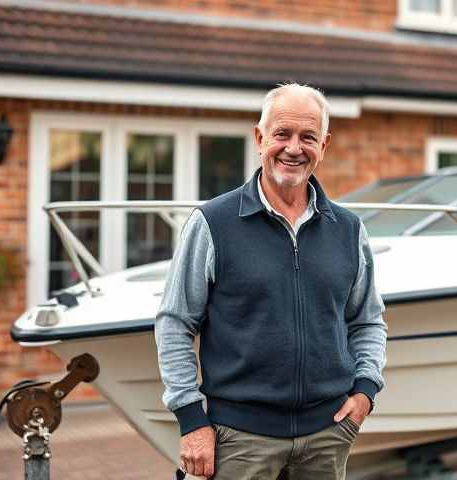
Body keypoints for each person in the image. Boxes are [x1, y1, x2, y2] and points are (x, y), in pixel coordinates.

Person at [155, 83, 388, 480]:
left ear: (324, 145)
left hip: (327, 436)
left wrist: (366, 390)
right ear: (260, 138)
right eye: (282, 134)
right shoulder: (213, 223)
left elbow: (367, 321)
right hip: (240, 438)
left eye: (308, 137)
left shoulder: (348, 230)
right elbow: (175, 323)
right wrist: (192, 420)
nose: (294, 148)